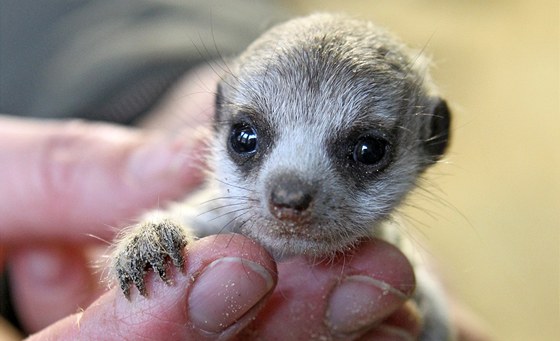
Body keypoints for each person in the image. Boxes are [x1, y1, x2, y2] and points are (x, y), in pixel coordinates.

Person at [0, 1, 490, 340]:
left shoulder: (397, 270)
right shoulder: (217, 212)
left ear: (429, 141)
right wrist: (152, 242)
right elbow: (179, 227)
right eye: (248, 141)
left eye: (364, 151)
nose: (289, 196)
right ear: (216, 123)